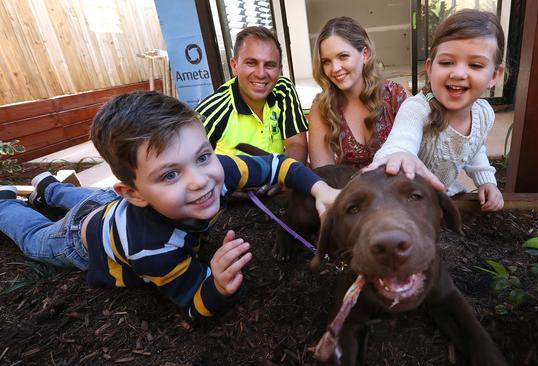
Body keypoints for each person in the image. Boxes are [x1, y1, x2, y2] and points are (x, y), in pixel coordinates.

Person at [0, 91, 338, 318]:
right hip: (79, 239)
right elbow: (193, 302)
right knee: (35, 238)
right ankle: (6, 204)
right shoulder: (151, 247)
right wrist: (217, 286)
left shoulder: (215, 172)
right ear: (133, 192)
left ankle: (46, 185)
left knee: (85, 198)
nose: (199, 180)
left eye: (203, 156)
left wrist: (321, 189)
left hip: (105, 205)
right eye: (171, 174)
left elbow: (280, 165)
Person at [369, 9, 505, 211]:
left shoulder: (484, 114)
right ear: (431, 67)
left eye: (475, 65)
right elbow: (402, 139)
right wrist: (400, 153)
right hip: (398, 205)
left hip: (437, 199)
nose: (458, 73)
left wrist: (486, 181)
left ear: (494, 75)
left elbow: (474, 148)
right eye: (447, 62)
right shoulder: (417, 109)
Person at [308, 16, 409, 168]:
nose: (335, 68)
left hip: (395, 188)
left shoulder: (395, 95)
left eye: (343, 56)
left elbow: (417, 157)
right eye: (326, 62)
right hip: (345, 190)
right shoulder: (322, 107)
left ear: (365, 55)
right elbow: (324, 174)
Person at [195, 26, 308, 163]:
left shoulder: (283, 89)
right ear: (234, 66)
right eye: (251, 63)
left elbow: (296, 143)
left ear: (280, 70)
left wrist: (287, 177)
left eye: (269, 65)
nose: (261, 74)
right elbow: (189, 165)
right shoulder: (211, 112)